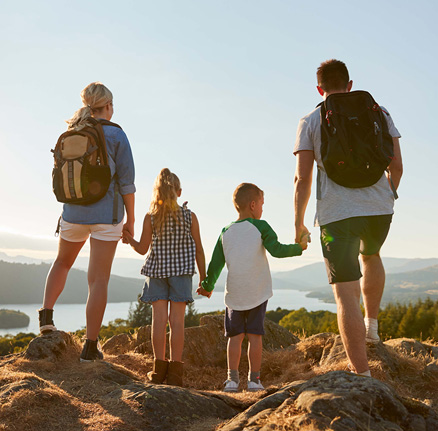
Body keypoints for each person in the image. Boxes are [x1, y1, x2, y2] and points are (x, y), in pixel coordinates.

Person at [293, 59, 403, 376]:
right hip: (380, 210)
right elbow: (396, 166)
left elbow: (303, 179)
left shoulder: (311, 120)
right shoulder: (379, 113)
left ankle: (362, 375)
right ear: (350, 84)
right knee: (371, 256)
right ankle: (372, 327)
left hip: (336, 215)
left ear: (319, 88)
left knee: (344, 293)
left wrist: (299, 222)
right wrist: (388, 194)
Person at [39, 82, 136, 362]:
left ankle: (46, 318)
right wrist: (130, 220)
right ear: (108, 106)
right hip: (107, 216)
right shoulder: (117, 134)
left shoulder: (73, 131)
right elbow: (127, 184)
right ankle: (90, 347)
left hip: (73, 213)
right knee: (98, 280)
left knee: (62, 263)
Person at [197, 183, 307, 392]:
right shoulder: (261, 226)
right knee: (255, 337)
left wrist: (207, 286)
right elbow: (277, 250)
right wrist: (299, 248)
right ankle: (254, 380)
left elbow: (215, 264)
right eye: (262, 204)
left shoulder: (225, 232)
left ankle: (232, 380)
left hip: (235, 294)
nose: (263, 209)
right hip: (257, 292)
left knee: (235, 338)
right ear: (253, 205)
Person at [123, 168, 206, 387]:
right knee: (177, 323)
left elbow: (142, 249)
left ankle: (158, 370)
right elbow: (199, 250)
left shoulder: (151, 217)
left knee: (158, 322)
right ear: (179, 192)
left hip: (157, 272)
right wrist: (204, 279)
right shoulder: (190, 216)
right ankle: (176, 373)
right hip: (181, 273)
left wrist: (129, 239)